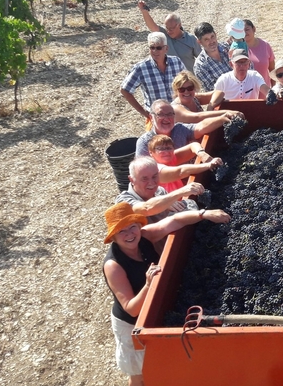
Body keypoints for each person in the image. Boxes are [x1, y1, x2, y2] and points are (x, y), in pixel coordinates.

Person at [103, 201, 230, 386]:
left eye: (132, 227)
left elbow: (176, 221)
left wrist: (204, 214)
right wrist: (148, 284)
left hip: (151, 308)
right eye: (122, 231)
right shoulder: (113, 266)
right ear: (113, 237)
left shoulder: (144, 236)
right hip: (130, 324)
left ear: (139, 226)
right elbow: (131, 309)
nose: (129, 234)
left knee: (153, 364)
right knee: (138, 372)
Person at [134, 99, 231, 159]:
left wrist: (223, 118)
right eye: (161, 114)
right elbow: (142, 171)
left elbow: (201, 127)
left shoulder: (180, 128)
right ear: (151, 117)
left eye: (170, 114)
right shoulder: (144, 142)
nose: (166, 118)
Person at [121, 32, 186, 119]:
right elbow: (125, 90)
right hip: (157, 117)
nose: (155, 51)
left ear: (166, 48)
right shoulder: (141, 68)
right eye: (152, 48)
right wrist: (143, 112)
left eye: (159, 48)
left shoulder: (176, 62)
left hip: (178, 113)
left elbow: (188, 82)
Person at [136, 1, 201, 70]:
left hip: (189, 78)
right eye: (167, 28)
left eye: (172, 28)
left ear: (179, 25)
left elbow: (201, 58)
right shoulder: (164, 35)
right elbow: (152, 26)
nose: (169, 31)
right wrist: (144, 12)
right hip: (171, 78)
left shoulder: (191, 39)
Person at [148, 135, 222, 193]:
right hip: (170, 208)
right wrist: (209, 165)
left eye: (169, 148)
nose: (166, 152)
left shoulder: (169, 158)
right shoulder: (154, 168)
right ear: (151, 153)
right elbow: (180, 172)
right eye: (161, 149)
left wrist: (202, 154)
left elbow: (193, 146)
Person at [170, 71, 241, 123]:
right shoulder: (175, 108)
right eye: (181, 89)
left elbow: (219, 92)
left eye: (190, 88)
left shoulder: (195, 98)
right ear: (176, 91)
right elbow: (196, 117)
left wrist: (210, 106)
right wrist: (228, 113)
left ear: (194, 88)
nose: (186, 92)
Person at [192, 22, 232, 91]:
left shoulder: (228, 47)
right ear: (199, 42)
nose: (211, 41)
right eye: (206, 39)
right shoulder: (200, 66)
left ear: (216, 34)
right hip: (227, 100)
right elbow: (213, 91)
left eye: (212, 37)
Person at [243, 19, 275, 86]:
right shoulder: (238, 49)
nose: (245, 33)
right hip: (247, 93)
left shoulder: (265, 45)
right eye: (241, 31)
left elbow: (272, 70)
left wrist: (273, 89)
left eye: (247, 29)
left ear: (254, 29)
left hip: (265, 91)